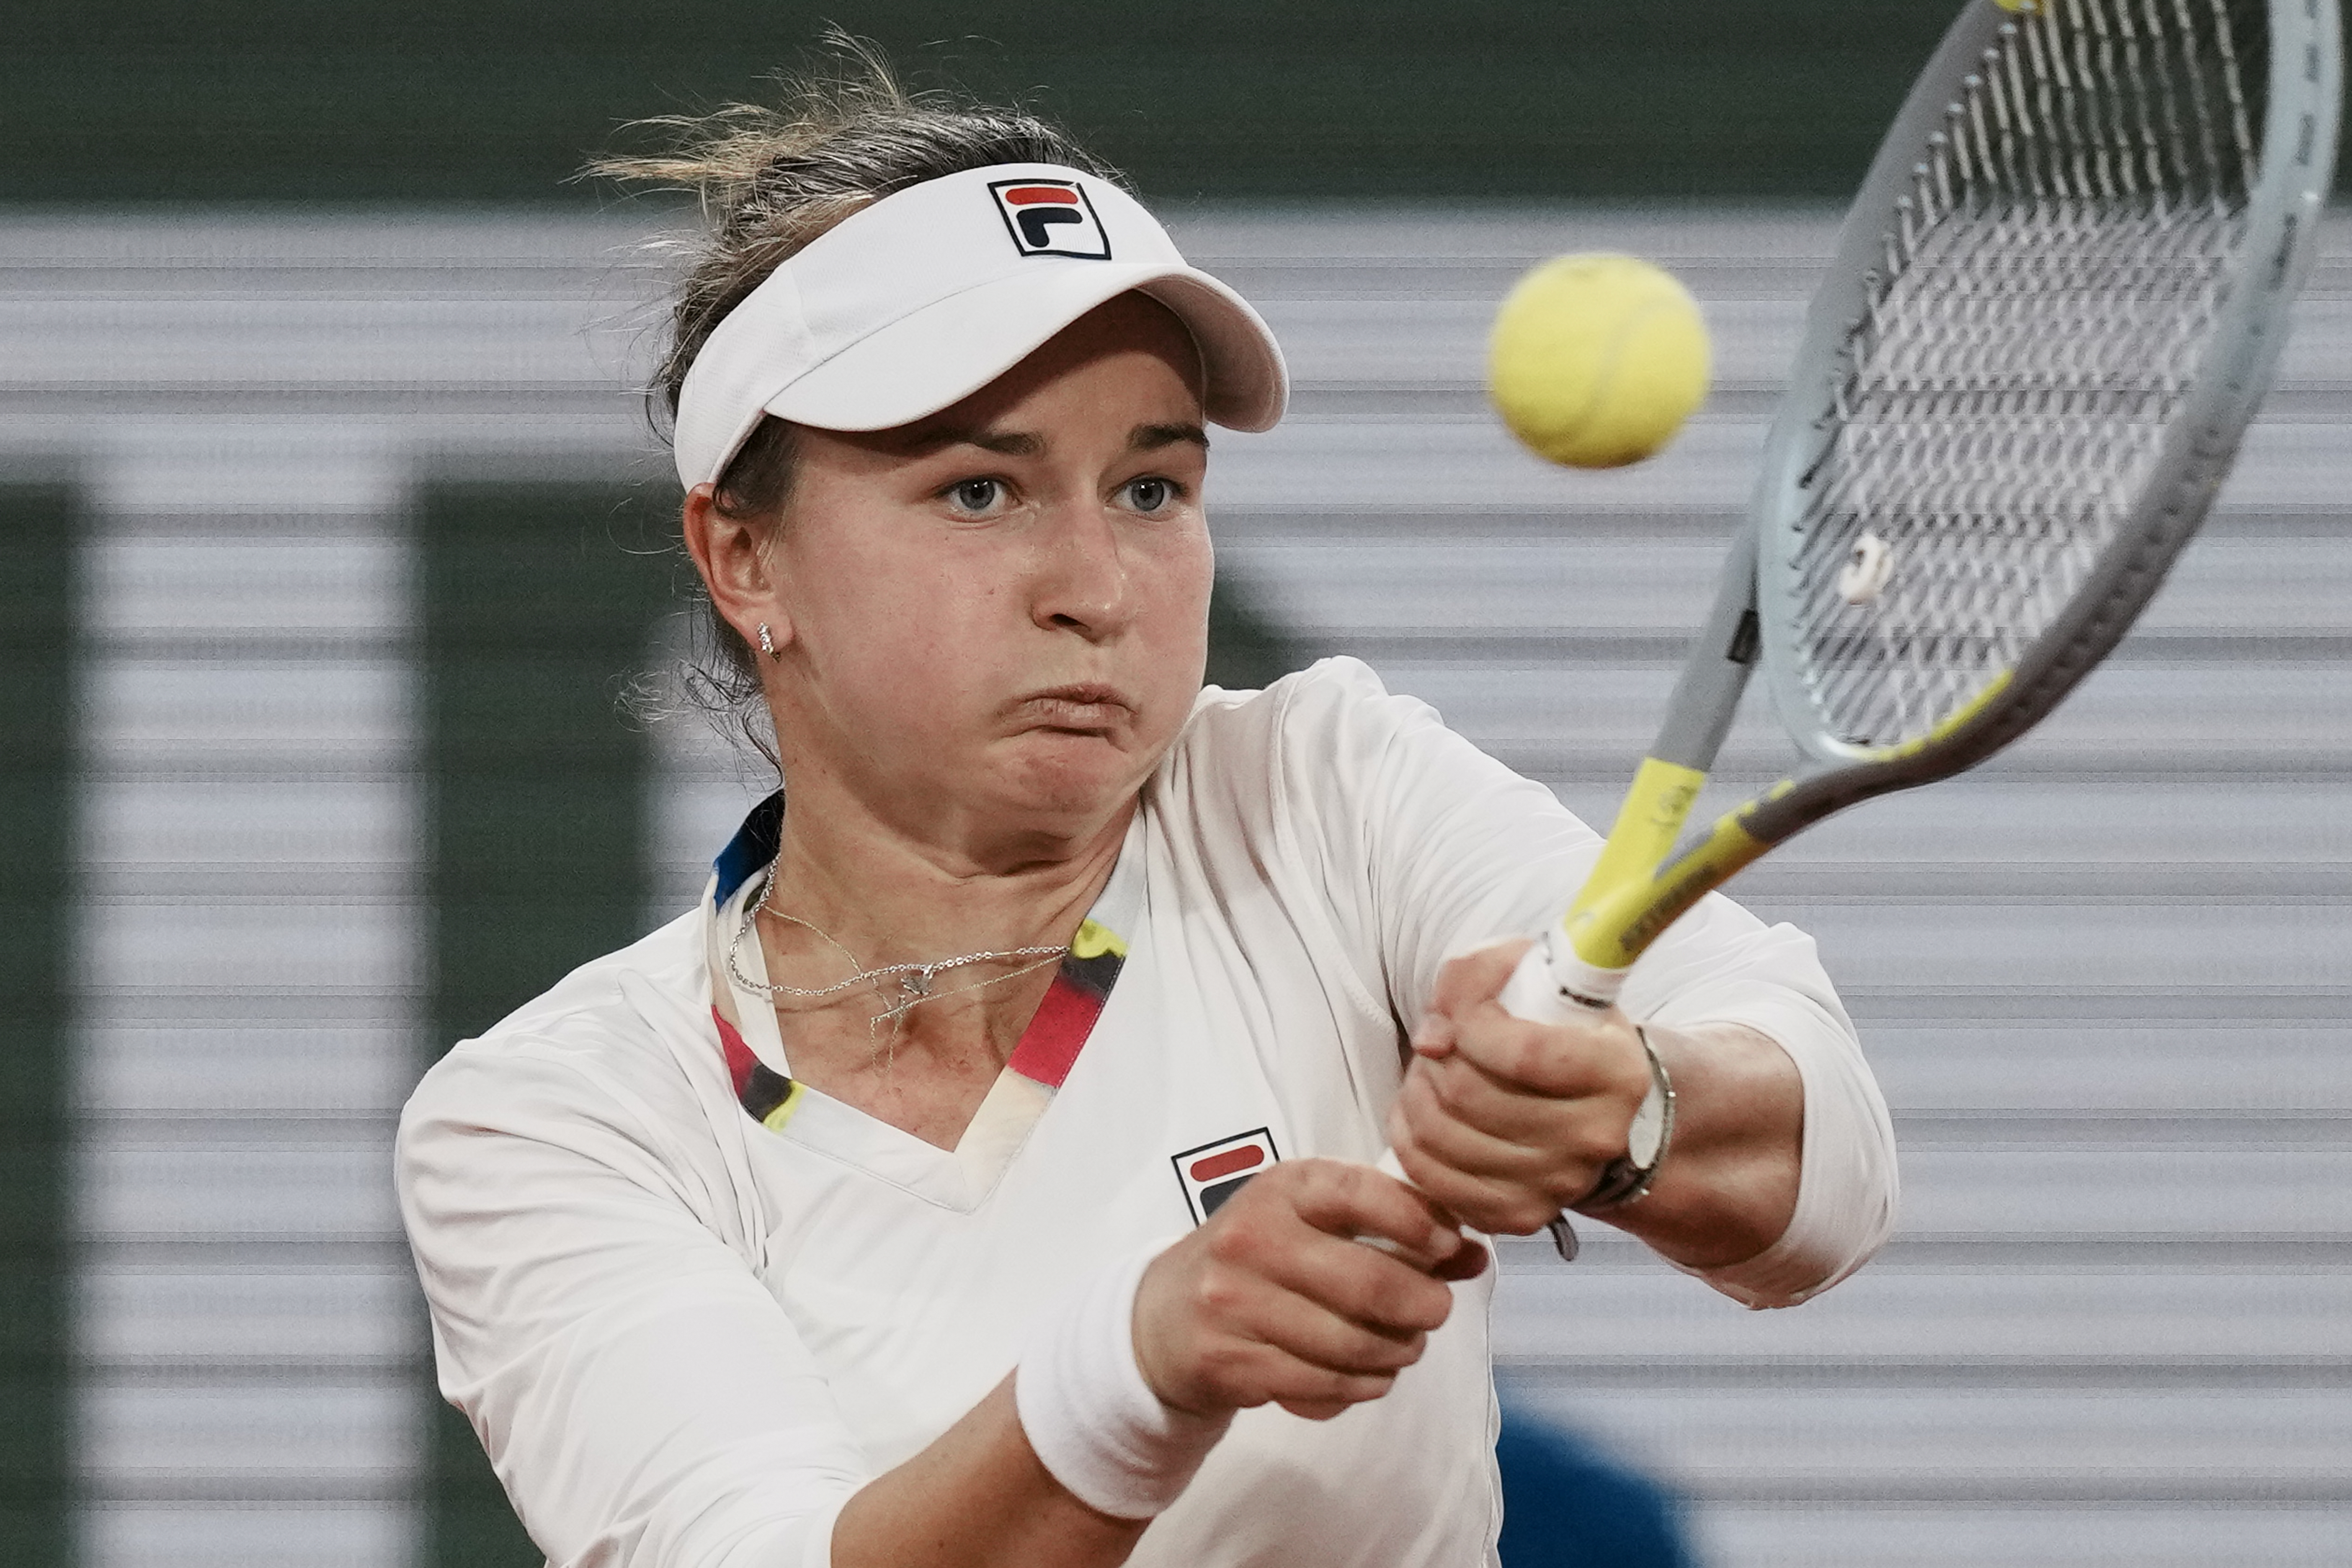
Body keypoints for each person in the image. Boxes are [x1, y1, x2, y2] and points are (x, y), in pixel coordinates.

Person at [397, 54, 1897, 1568]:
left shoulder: (1322, 789)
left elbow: (1821, 1155)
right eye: (983, 492)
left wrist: (1627, 1104)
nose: (1097, 592)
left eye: (1152, 491)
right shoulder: (557, 1119)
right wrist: (1138, 1364)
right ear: (745, 558)